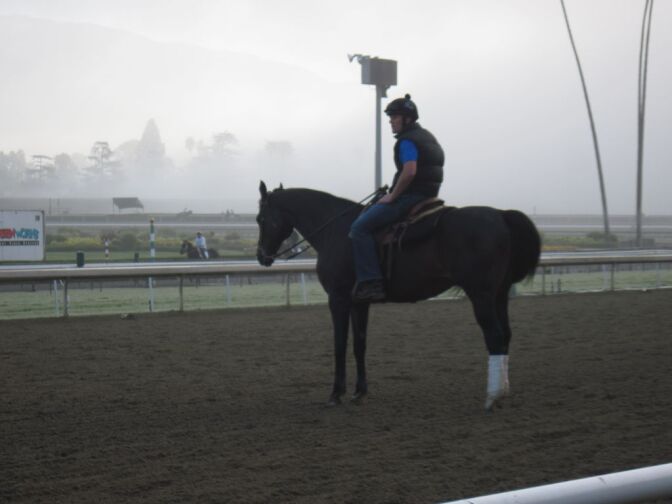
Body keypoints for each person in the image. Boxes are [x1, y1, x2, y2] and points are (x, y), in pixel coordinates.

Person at [349, 94, 445, 302]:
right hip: (429, 196)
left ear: (407, 119)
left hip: (410, 197)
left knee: (359, 229)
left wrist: (393, 195)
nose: (391, 121)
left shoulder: (407, 141)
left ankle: (372, 282)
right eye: (390, 117)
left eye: (395, 117)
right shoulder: (427, 136)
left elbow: (410, 172)